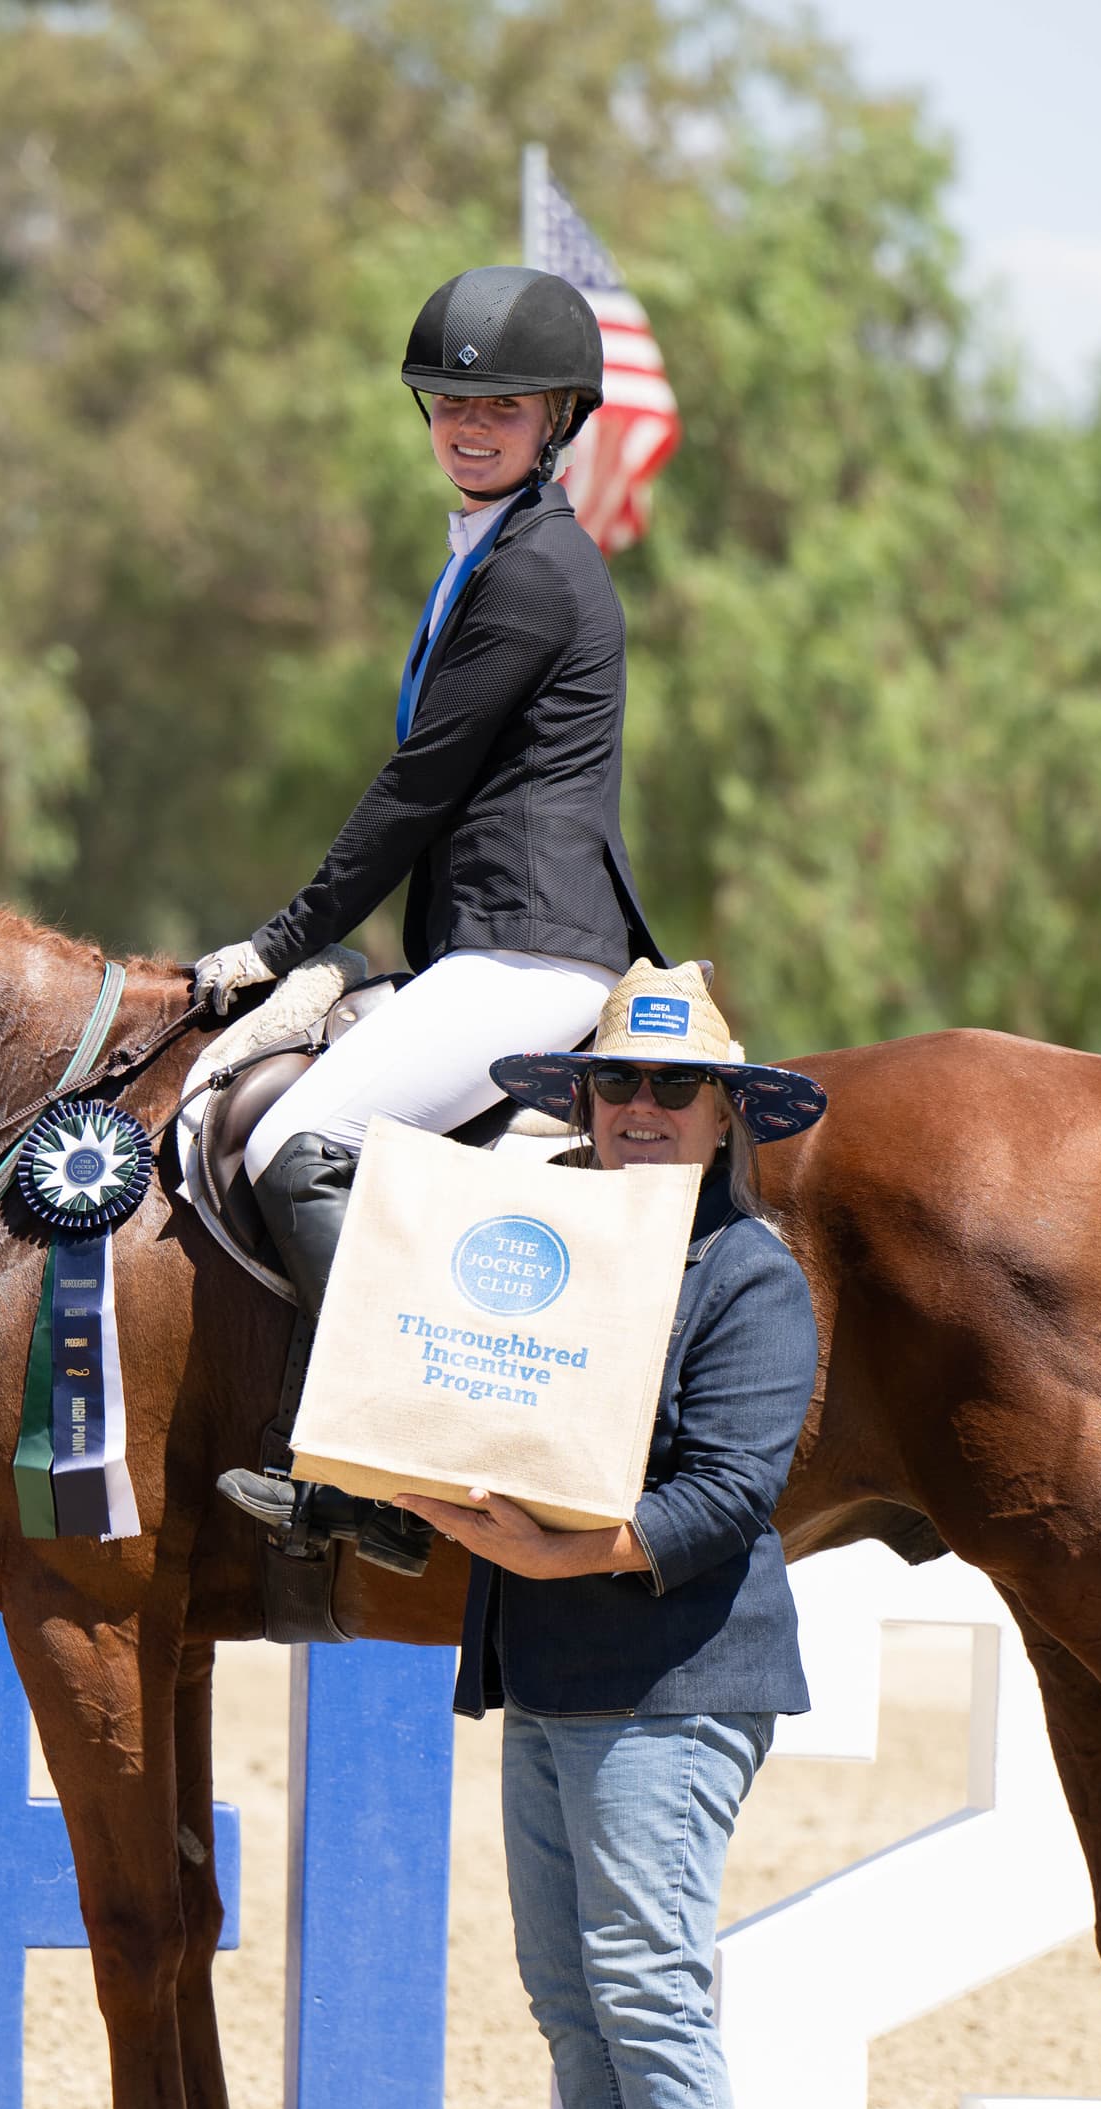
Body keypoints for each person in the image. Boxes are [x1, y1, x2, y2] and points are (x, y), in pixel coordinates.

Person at [389, 961, 826, 2109]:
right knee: (579, 2009)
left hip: (672, 1681)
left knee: (646, 1998)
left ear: (723, 1116)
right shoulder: (537, 1256)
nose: (639, 1111)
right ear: (585, 1102)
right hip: (557, 1673)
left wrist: (563, 1547)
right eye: (617, 1085)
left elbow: (731, 1494)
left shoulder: (751, 1277)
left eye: (671, 1088)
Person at [194, 262, 669, 1565]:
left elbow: (417, 789)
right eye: (449, 405)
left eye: (504, 409)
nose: (470, 427)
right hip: (492, 941)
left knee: (299, 1139)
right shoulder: (495, 549)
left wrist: (279, 943)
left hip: (527, 946)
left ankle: (388, 1473)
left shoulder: (534, 573)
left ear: (560, 419)